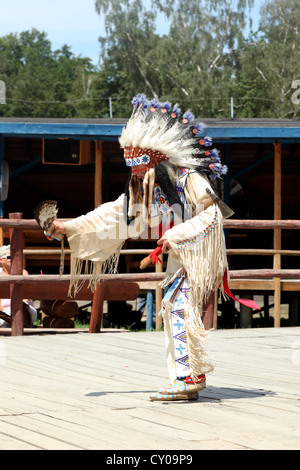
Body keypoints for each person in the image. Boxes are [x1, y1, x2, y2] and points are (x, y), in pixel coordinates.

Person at [47, 94, 231, 401]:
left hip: (198, 249)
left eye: (139, 167)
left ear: (157, 161)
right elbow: (112, 214)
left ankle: (188, 376)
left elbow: (213, 214)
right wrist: (67, 227)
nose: (134, 173)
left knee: (176, 303)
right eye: (130, 168)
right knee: (172, 304)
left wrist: (177, 234)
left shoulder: (188, 178)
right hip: (181, 251)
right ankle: (188, 376)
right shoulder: (142, 187)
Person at [0, 245, 38, 328]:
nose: (13, 259)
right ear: (1, 260)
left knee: (20, 307)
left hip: (25, 309)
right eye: (9, 257)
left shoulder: (23, 272)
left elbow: (26, 298)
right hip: (4, 311)